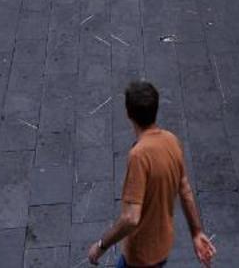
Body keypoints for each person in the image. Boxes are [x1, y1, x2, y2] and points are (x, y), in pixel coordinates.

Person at [86, 80, 215, 268]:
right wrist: (196, 232)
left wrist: (100, 246)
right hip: (162, 246)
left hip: (140, 256)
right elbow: (185, 189)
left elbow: (131, 218)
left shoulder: (139, 156)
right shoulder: (171, 140)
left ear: (128, 114)